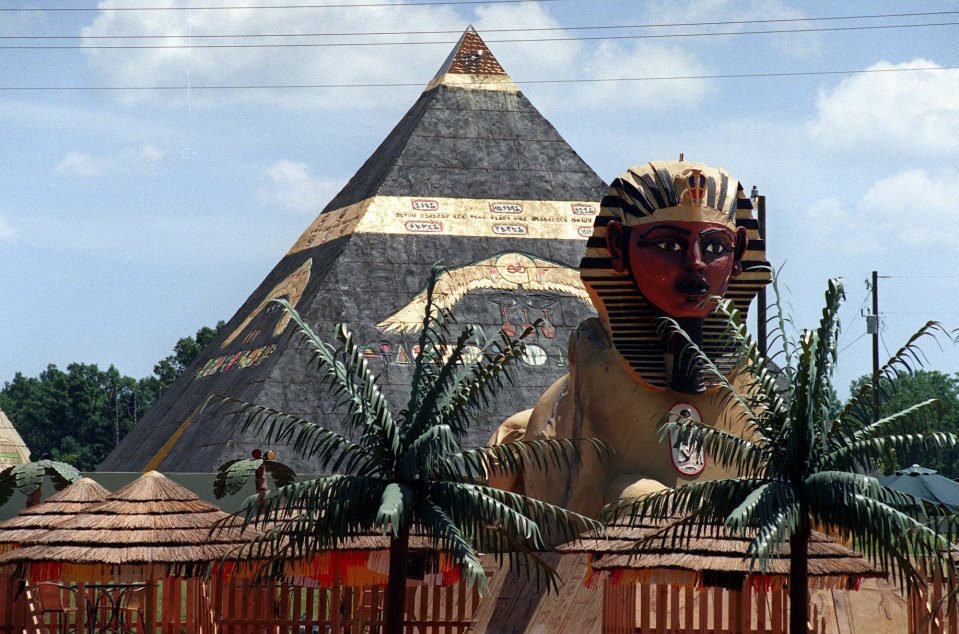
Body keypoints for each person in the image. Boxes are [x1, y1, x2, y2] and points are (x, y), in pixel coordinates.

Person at [490, 159, 770, 517]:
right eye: (669, 246)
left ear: (740, 255)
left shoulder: (745, 378)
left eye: (716, 247)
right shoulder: (597, 365)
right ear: (618, 246)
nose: (696, 263)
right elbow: (583, 511)